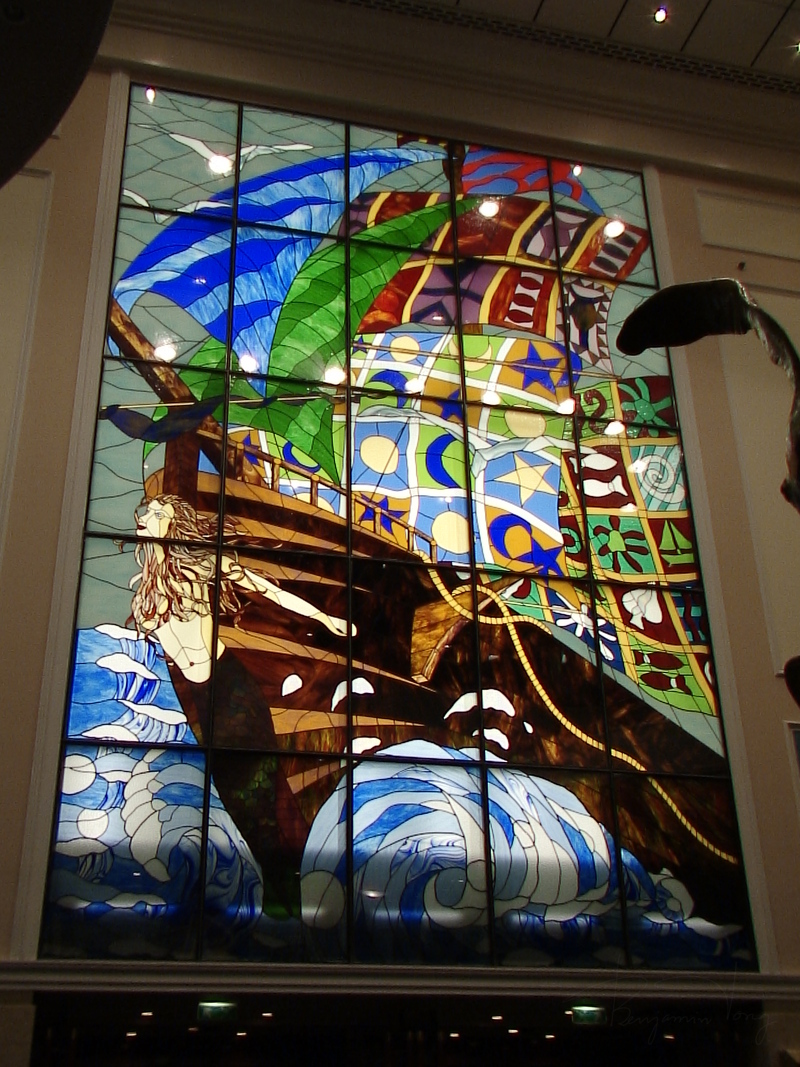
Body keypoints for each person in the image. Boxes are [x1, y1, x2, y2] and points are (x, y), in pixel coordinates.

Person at [130, 494, 351, 683]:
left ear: (174, 526)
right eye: (148, 512)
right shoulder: (145, 589)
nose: (146, 518)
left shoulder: (202, 565)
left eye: (158, 515)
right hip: (186, 689)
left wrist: (323, 617)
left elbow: (272, 592)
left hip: (226, 681)